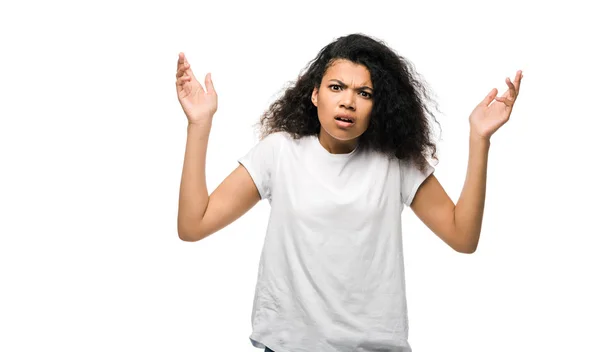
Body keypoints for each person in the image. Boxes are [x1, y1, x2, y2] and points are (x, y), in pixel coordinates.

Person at [175, 33, 523, 352]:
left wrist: (480, 139)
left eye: (364, 93)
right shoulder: (279, 152)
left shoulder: (394, 162)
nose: (348, 102)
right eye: (337, 87)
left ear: (378, 105)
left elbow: (463, 237)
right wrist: (199, 124)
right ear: (315, 94)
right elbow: (194, 225)